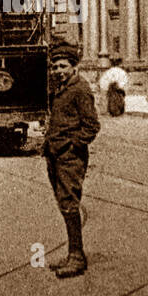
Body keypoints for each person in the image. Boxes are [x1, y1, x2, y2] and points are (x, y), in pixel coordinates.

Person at [43, 39, 100, 278]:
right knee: (63, 203)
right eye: (55, 67)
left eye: (63, 66)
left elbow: (92, 125)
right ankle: (73, 253)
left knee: (69, 203)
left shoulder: (80, 89)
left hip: (69, 156)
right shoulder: (60, 88)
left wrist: (72, 146)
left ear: (74, 67)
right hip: (55, 154)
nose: (58, 71)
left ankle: (77, 257)